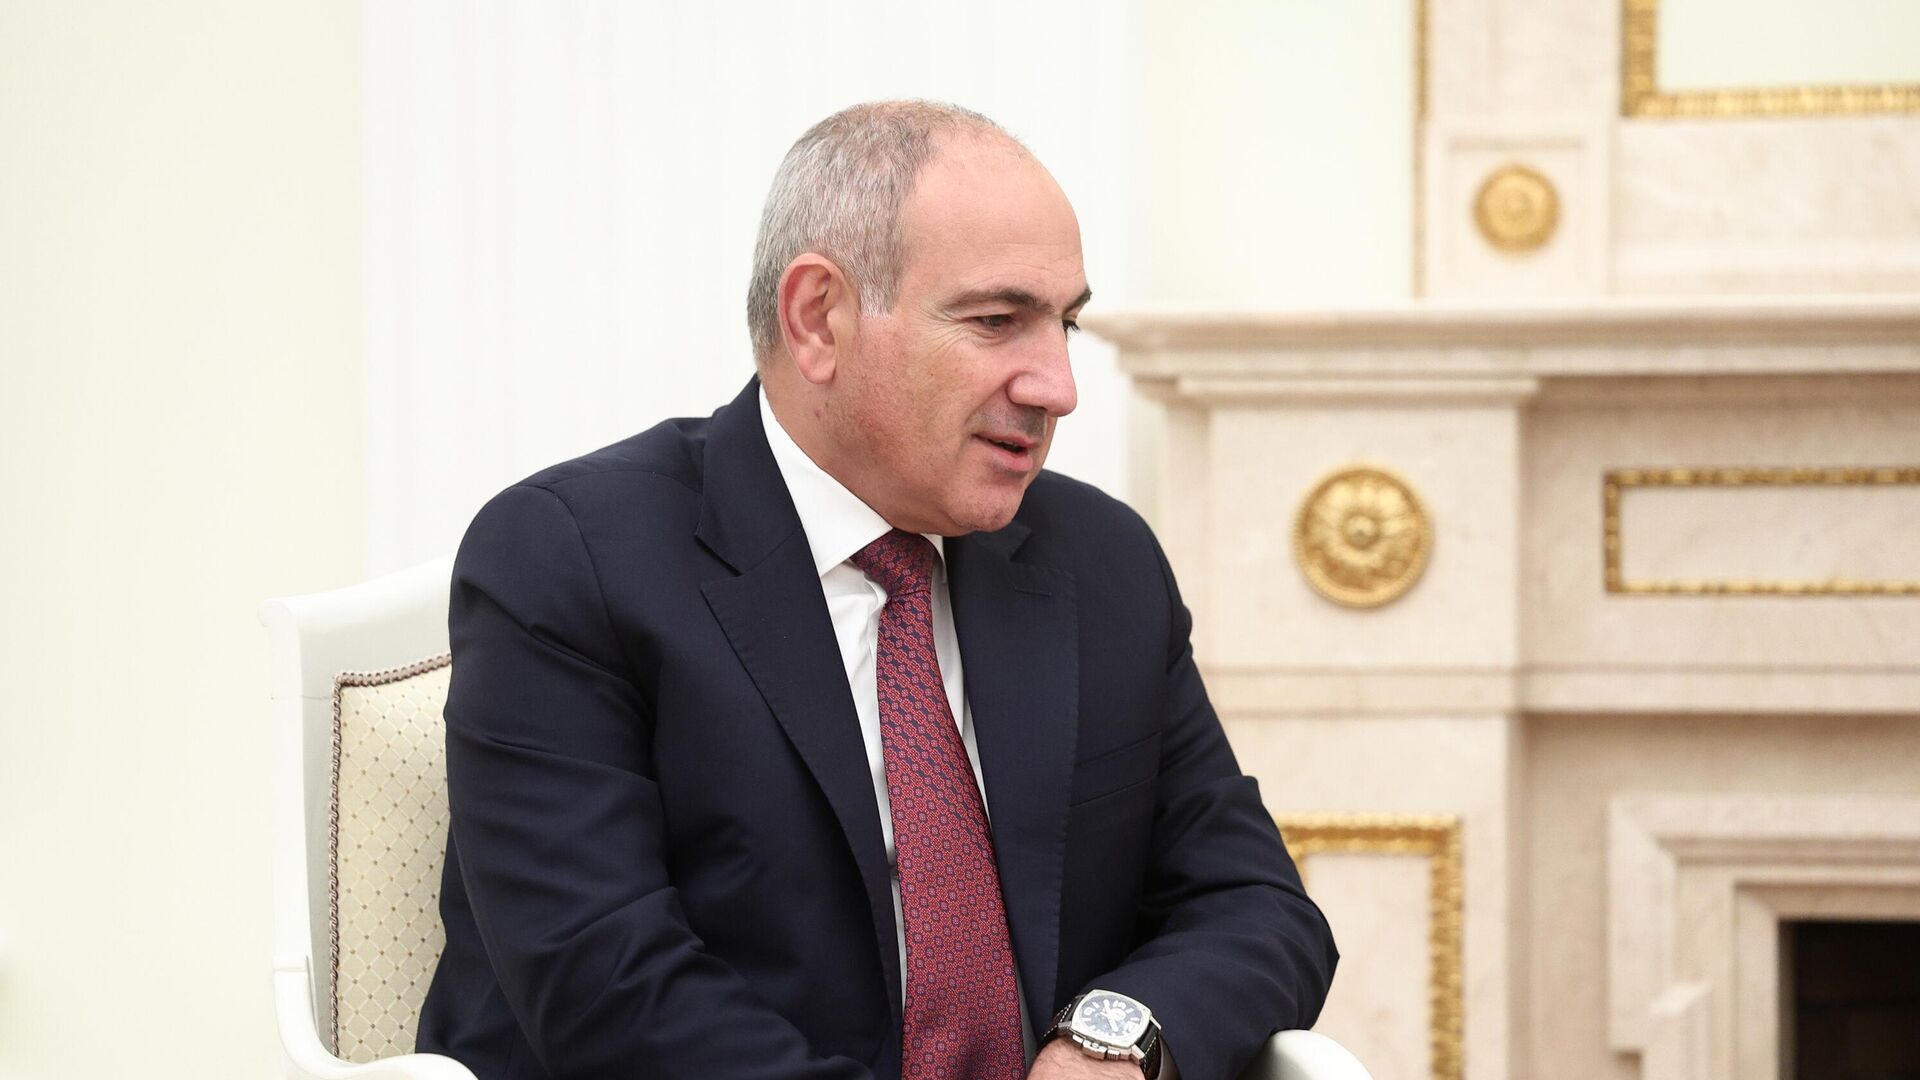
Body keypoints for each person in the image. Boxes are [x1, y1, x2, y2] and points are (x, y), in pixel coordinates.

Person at [417, 100, 1336, 1080]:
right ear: (819, 318)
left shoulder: (1099, 562)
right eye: (997, 321)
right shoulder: (572, 562)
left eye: (1064, 323)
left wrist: (1110, 1045)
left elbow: (1255, 906)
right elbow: (609, 989)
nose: (1059, 386)